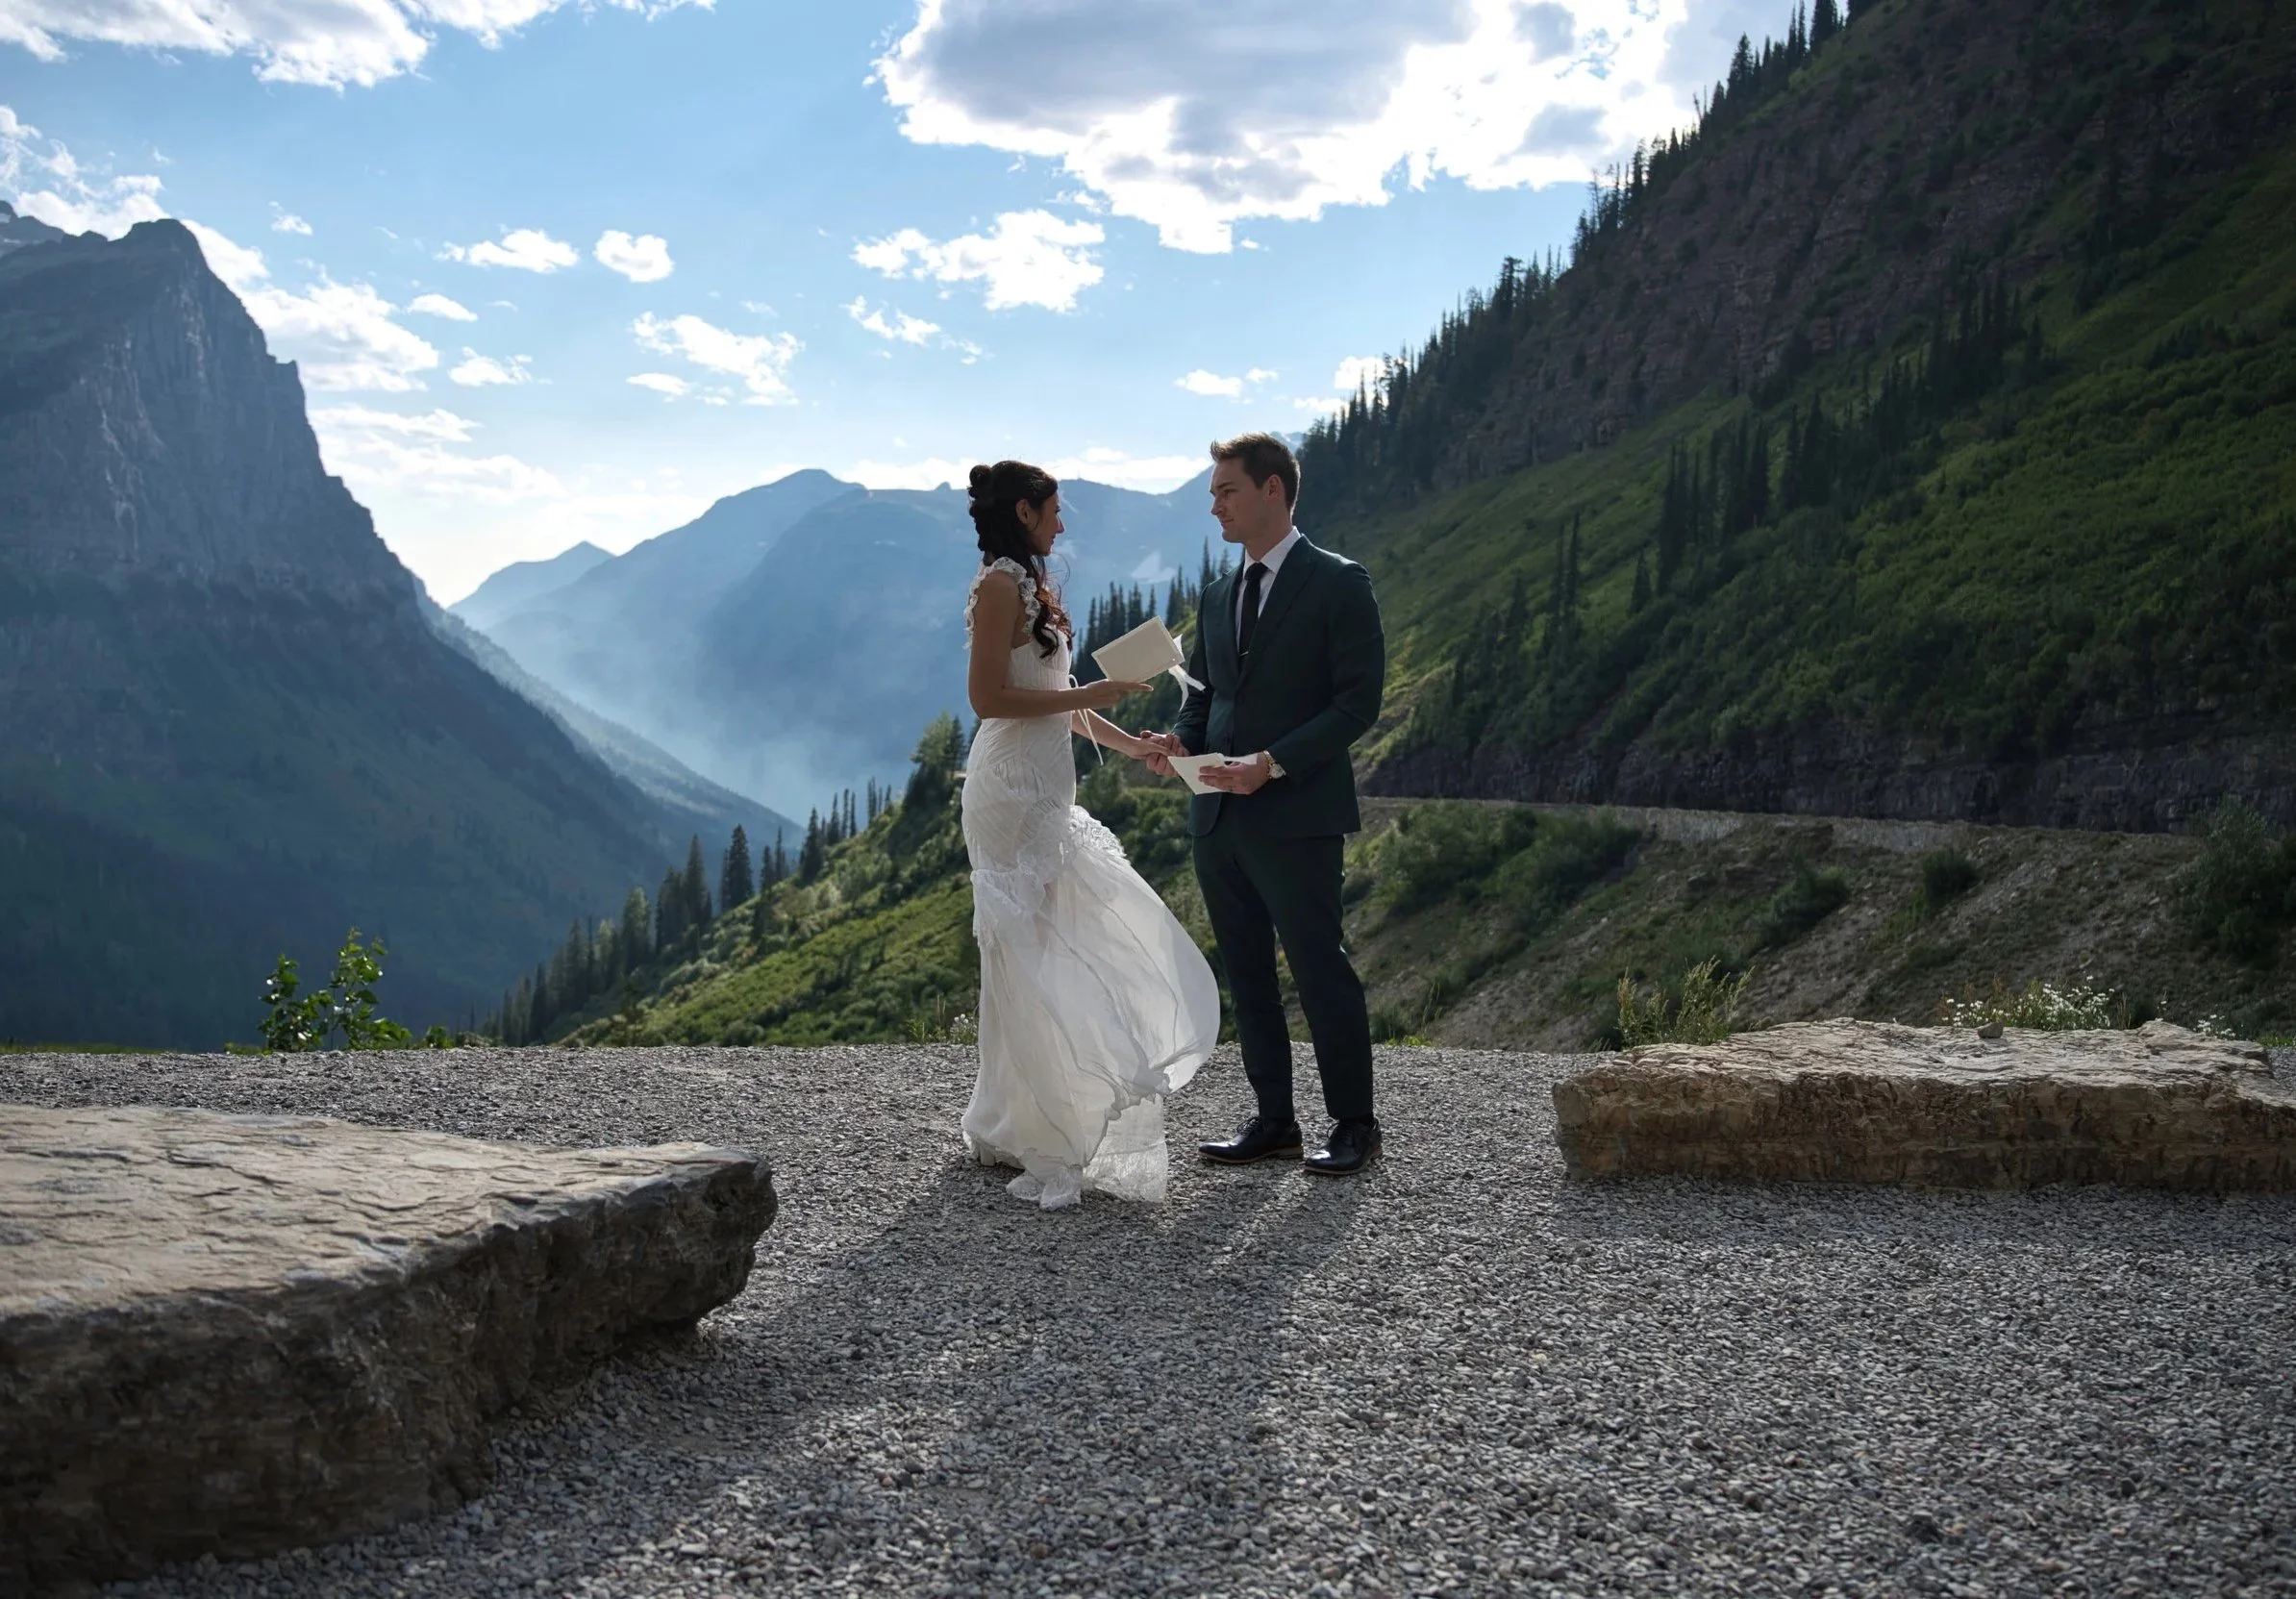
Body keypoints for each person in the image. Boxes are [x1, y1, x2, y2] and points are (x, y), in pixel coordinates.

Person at [958, 459, 1221, 1210]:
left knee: (1045, 938)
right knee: (1026, 946)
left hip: (1044, 784)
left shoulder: (1025, 581)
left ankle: (1028, 1112)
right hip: (1009, 789)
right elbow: (988, 698)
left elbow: (1057, 703)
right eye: (1053, 509)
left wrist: (1134, 743)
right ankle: (1036, 1118)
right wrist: (1093, 690)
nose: (1062, 522)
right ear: (1023, 512)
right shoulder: (1000, 585)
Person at [1138, 433, 1386, 1176]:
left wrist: (1272, 764)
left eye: (1226, 491)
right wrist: (1182, 743)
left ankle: (1355, 1124)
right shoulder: (1218, 594)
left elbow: (1357, 704)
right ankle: (1273, 1119)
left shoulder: (1341, 583)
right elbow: (1207, 698)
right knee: (1247, 975)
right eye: (1213, 492)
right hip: (1217, 819)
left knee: (1319, 968)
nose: (1213, 504)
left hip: (1298, 814)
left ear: (1273, 490)